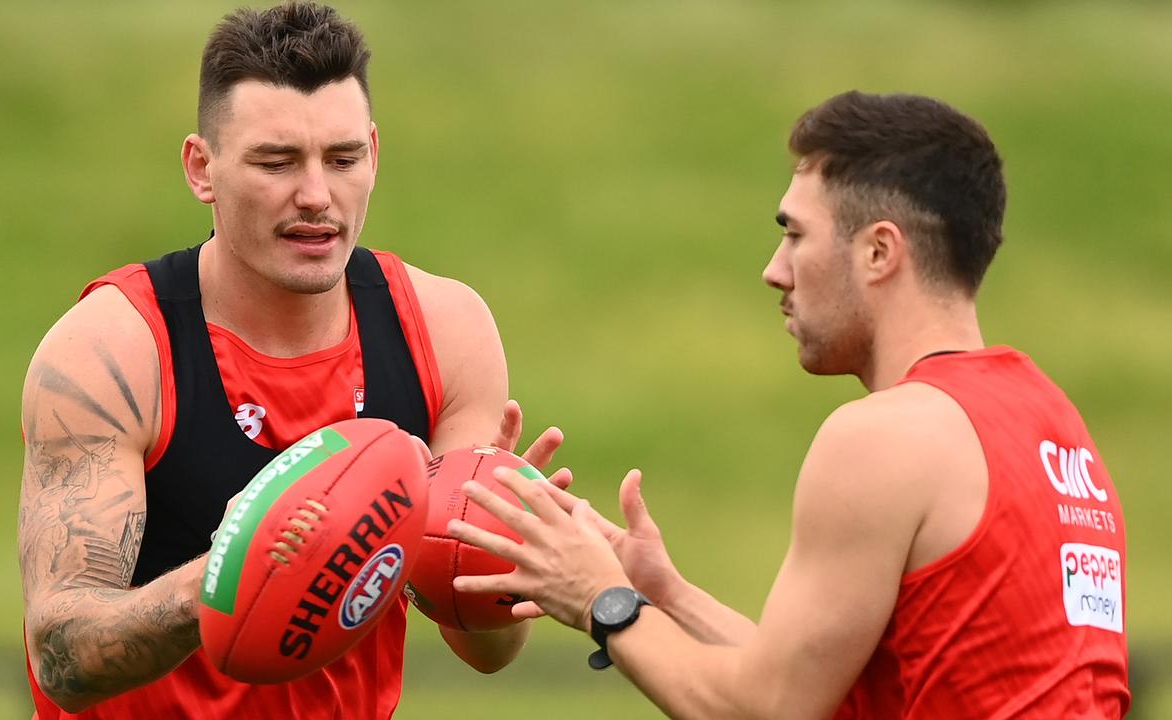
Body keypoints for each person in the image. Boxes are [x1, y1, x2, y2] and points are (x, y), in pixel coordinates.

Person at [448, 91, 1130, 718]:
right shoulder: (1053, 425)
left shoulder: (886, 437)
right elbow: (814, 687)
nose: (774, 269)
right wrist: (663, 595)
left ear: (879, 251)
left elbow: (766, 711)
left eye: (797, 234)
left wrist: (600, 600)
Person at [17, 3, 563, 717]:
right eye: (276, 162)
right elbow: (61, 654)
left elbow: (487, 655)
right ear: (201, 168)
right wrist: (226, 576)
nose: (316, 196)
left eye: (342, 159)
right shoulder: (113, 352)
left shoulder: (445, 330)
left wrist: (491, 550)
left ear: (374, 152)